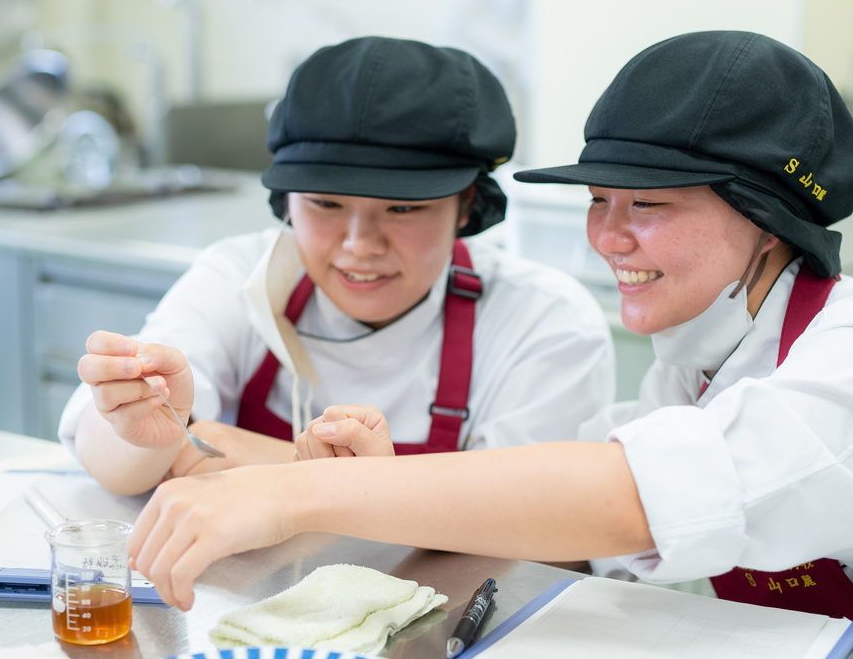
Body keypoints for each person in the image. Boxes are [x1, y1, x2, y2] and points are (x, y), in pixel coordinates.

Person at [124, 32, 853, 658]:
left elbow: (627, 498)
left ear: (764, 219)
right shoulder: (693, 364)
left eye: (651, 207)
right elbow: (594, 533)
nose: (608, 238)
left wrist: (295, 489)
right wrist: (389, 486)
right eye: (600, 202)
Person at [59, 36, 615, 496]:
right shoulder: (240, 276)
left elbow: (533, 523)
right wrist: (145, 436)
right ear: (286, 202)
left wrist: (272, 465)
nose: (359, 244)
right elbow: (103, 450)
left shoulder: (544, 321)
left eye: (403, 208)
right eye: (326, 204)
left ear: (467, 204)